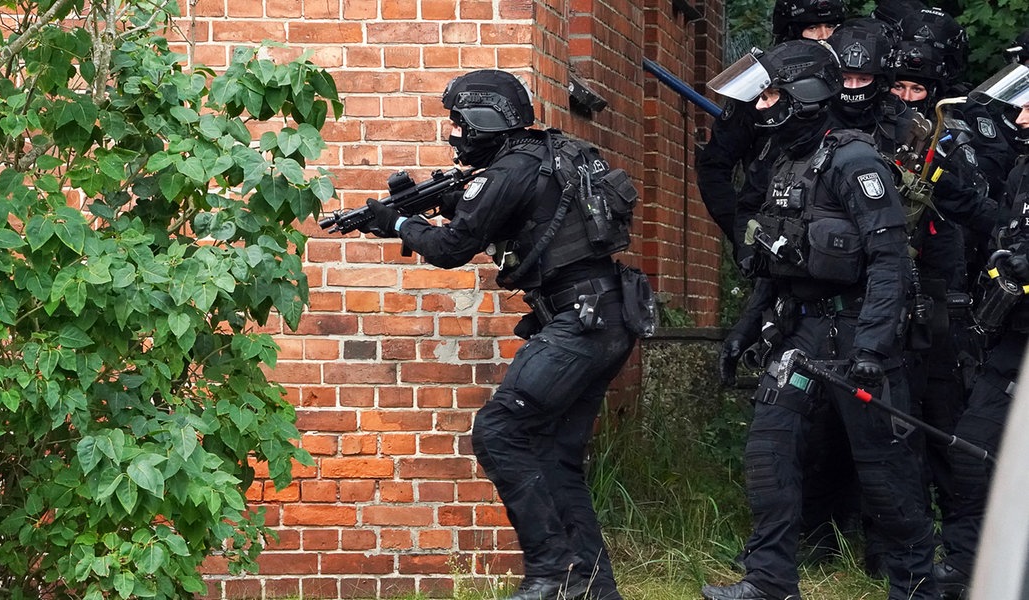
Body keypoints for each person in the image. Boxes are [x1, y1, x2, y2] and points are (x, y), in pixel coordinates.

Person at [360, 69, 646, 600]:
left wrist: (398, 225)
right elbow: (505, 212)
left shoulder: (510, 169)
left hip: (581, 320)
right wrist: (426, 207)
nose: (455, 134)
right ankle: (592, 589)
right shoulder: (542, 154)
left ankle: (549, 573)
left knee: (500, 431)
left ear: (486, 119)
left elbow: (451, 250)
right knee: (556, 454)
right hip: (605, 314)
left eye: (460, 123)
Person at [703, 40, 938, 600]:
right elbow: (775, 262)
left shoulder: (855, 161)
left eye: (772, 94)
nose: (761, 106)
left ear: (804, 95)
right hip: (801, 334)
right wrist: (743, 331)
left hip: (858, 331)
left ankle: (918, 585)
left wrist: (874, 350)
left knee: (885, 474)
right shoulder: (785, 160)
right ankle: (769, 580)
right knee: (770, 452)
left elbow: (890, 262)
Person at [933, 63, 1029, 600]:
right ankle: (967, 567)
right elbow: (999, 225)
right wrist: (951, 192)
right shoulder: (1021, 171)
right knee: (971, 448)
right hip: (1012, 342)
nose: (1019, 116)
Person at [695, 0, 845, 250]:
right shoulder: (758, 87)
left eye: (831, 26)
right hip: (775, 229)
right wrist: (746, 235)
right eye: (812, 28)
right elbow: (713, 167)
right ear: (790, 31)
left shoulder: (853, 80)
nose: (824, 37)